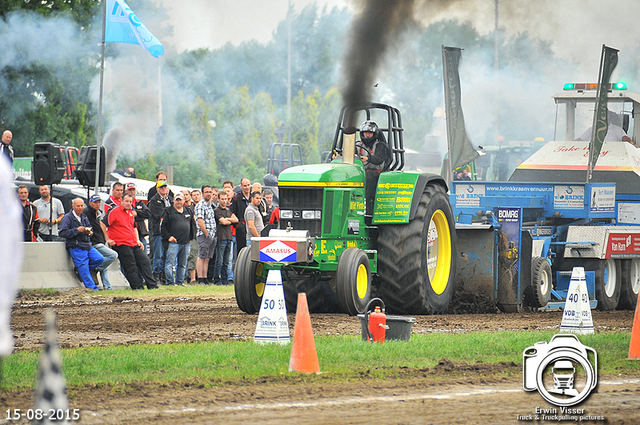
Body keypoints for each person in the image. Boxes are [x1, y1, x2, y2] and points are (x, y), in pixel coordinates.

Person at [103, 193, 158, 290]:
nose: (128, 204)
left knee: (145, 261)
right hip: (121, 243)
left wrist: (137, 240)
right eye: (126, 201)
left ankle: (152, 286)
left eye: (130, 201)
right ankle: (137, 287)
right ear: (121, 201)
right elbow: (103, 223)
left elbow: (134, 226)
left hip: (132, 242)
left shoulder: (130, 212)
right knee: (131, 265)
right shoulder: (114, 211)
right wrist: (107, 239)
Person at [58, 198, 104, 291]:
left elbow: (91, 230)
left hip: (87, 244)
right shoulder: (67, 218)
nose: (80, 208)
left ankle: (81, 271)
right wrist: (77, 230)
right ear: (73, 206)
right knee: (84, 267)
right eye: (78, 206)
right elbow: (62, 233)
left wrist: (89, 232)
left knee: (99, 258)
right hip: (76, 246)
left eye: (82, 206)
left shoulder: (84, 217)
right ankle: (92, 288)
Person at [356, 120, 391, 215]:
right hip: (359, 172)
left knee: (369, 176)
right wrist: (339, 155)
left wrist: (368, 158)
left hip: (376, 173)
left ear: (374, 134)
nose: (367, 135)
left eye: (370, 133)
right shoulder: (357, 145)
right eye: (365, 133)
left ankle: (367, 208)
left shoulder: (380, 145)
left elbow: (379, 158)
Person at [161, 192, 196, 286]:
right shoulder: (168, 211)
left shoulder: (188, 210)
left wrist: (191, 237)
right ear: (173, 201)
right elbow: (163, 227)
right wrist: (169, 237)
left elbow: (193, 224)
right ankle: (170, 282)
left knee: (183, 264)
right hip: (174, 242)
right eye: (177, 200)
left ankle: (180, 282)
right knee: (169, 264)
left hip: (186, 242)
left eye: (180, 200)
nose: (179, 202)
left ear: (184, 200)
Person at [84, 194, 118, 290]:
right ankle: (95, 269)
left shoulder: (97, 213)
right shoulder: (88, 211)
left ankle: (107, 286)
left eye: (99, 202)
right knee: (113, 255)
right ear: (90, 203)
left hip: (100, 241)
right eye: (95, 202)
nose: (97, 204)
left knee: (105, 264)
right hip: (94, 242)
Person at [149, 180, 173, 282]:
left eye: (165, 187)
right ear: (158, 189)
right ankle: (156, 275)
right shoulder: (154, 201)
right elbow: (159, 215)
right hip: (158, 231)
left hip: (170, 231)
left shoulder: (171, 199)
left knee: (167, 255)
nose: (163, 189)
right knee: (158, 255)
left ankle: (165, 276)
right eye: (161, 187)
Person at [213, 191, 238, 285]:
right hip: (221, 237)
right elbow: (223, 222)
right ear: (218, 199)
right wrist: (228, 220)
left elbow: (236, 219)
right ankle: (217, 278)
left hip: (229, 237)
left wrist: (227, 219)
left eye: (226, 199)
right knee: (219, 260)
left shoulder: (228, 210)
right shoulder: (217, 210)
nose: (224, 201)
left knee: (227, 261)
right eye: (222, 199)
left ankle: (225, 279)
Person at [195, 185, 217, 285]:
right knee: (201, 256)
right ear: (202, 193)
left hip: (212, 234)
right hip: (204, 234)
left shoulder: (210, 205)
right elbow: (200, 221)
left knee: (207, 258)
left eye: (210, 192)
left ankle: (205, 278)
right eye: (206, 192)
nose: (208, 193)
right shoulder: (200, 205)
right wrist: (206, 234)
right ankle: (200, 278)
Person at [125, 182, 150, 253]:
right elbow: (127, 215)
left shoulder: (139, 202)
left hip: (140, 232)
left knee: (144, 251)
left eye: (133, 190)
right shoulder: (124, 203)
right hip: (129, 232)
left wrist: (137, 213)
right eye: (130, 190)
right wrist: (140, 216)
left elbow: (148, 213)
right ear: (126, 191)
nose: (132, 192)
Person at [230, 178, 251, 252]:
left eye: (248, 185)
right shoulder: (236, 198)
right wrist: (239, 225)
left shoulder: (253, 197)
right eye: (245, 186)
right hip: (241, 229)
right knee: (241, 250)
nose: (247, 187)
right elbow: (231, 213)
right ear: (241, 186)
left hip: (252, 227)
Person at [186, 189, 201, 283]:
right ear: (191, 197)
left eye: (197, 194)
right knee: (193, 256)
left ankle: (202, 277)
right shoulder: (189, 209)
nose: (196, 196)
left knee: (203, 257)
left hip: (203, 235)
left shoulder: (205, 207)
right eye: (194, 195)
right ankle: (192, 278)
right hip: (194, 236)